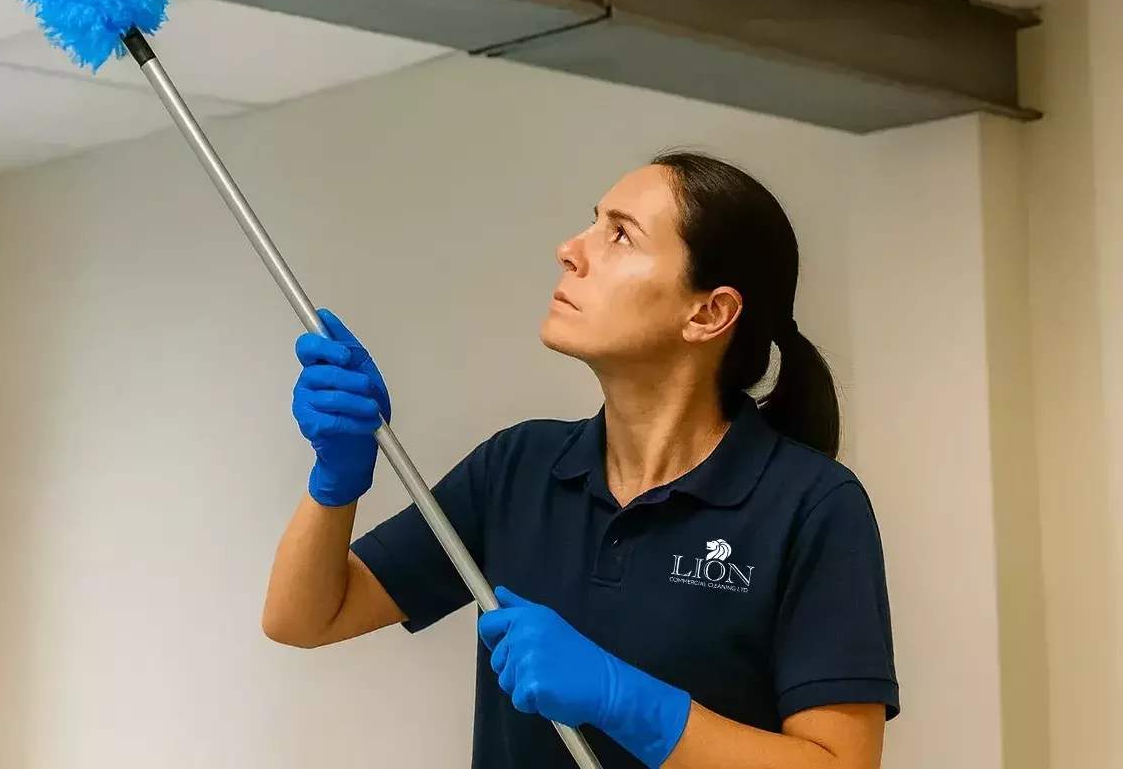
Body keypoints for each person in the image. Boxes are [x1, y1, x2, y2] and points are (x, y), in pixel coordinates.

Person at [261, 151, 897, 769]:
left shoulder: (810, 505)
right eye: (594, 221)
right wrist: (335, 481)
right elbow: (306, 616)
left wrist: (625, 699)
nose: (571, 248)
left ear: (710, 312)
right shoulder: (519, 468)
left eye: (620, 235)